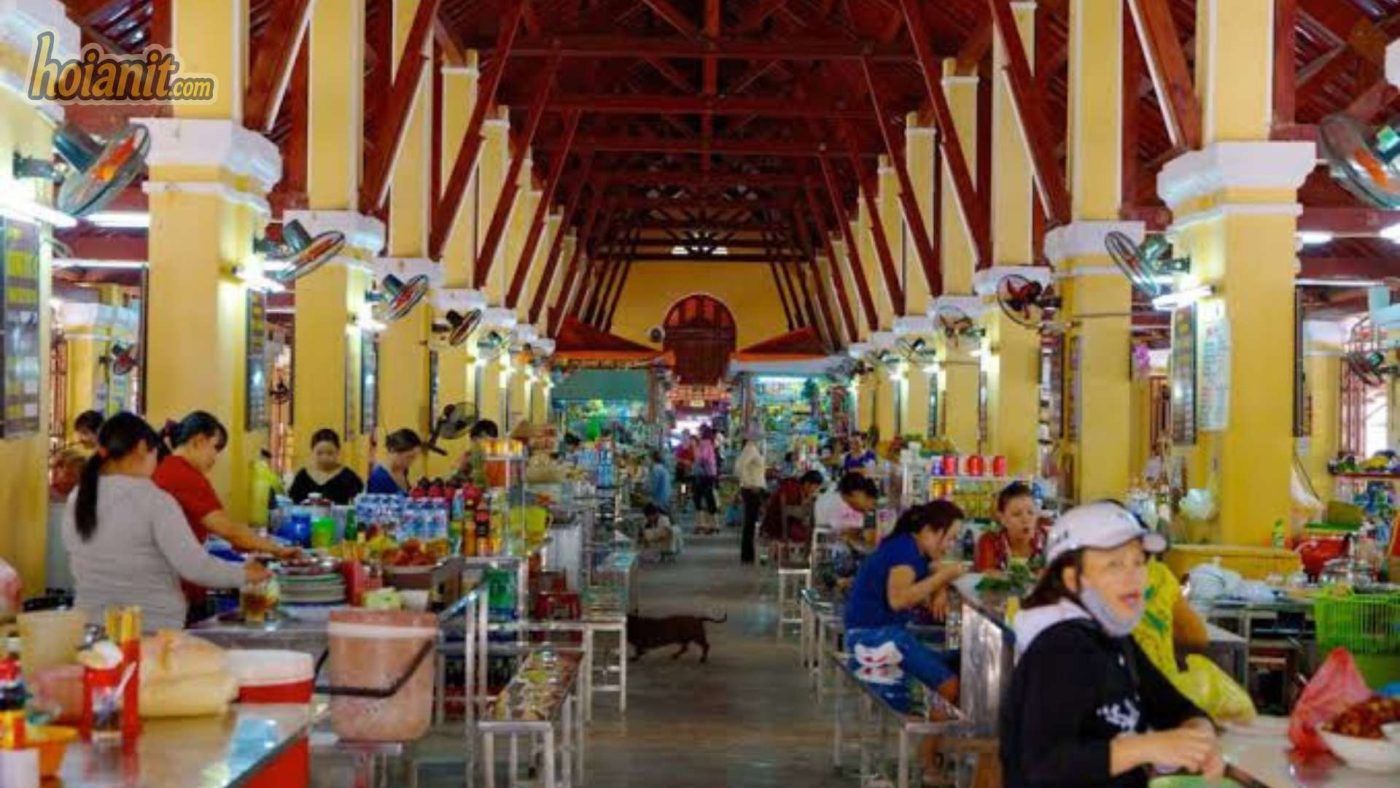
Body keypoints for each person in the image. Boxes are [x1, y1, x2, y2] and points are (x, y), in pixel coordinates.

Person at [1001, 502, 1222, 787]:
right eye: (1114, 564)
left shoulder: (1114, 640)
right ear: (1072, 579)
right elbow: (1046, 764)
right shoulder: (1058, 649)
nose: (1133, 576)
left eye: (1139, 562)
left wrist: (1198, 734)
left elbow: (1174, 707)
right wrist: (1149, 747)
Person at [64, 412, 269, 632]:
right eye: (155, 455)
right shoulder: (153, 500)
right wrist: (246, 575)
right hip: (150, 629)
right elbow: (195, 567)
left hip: (90, 626)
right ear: (143, 448)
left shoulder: (78, 496)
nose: (156, 464)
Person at [844, 501, 967, 703]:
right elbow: (898, 600)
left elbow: (936, 567)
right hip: (871, 638)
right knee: (950, 687)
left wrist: (940, 589)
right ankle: (936, 732)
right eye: (950, 538)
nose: (950, 546)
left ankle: (935, 728)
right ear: (928, 531)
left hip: (879, 632)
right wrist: (944, 577)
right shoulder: (904, 552)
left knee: (954, 660)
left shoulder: (910, 545)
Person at [153, 411, 295, 558]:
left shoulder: (165, 466)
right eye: (215, 447)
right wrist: (277, 550)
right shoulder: (185, 476)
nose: (215, 457)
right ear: (199, 441)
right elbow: (227, 530)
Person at [974, 481, 1047, 572]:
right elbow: (987, 575)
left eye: (1031, 512)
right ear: (1003, 519)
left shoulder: (1048, 539)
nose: (1026, 519)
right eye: (1017, 514)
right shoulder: (990, 541)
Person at [288, 429, 365, 505]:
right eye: (319, 453)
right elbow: (292, 502)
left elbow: (359, 502)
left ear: (338, 452)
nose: (324, 458)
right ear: (312, 452)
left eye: (330, 453)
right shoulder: (302, 476)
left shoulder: (348, 477)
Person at [734, 437, 767, 564]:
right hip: (752, 490)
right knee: (749, 523)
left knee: (750, 523)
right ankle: (747, 555)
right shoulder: (751, 448)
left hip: (753, 489)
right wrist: (749, 484)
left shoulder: (754, 448)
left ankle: (748, 555)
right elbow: (739, 468)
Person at [368, 428, 424, 494]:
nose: (411, 462)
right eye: (409, 457)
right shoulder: (378, 478)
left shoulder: (403, 471)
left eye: (414, 458)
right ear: (393, 450)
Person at [692, 426, 720, 534]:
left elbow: (701, 459)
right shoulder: (711, 444)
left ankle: (703, 524)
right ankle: (712, 524)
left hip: (703, 476)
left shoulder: (704, 443)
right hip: (710, 475)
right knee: (708, 498)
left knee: (700, 498)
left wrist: (695, 449)